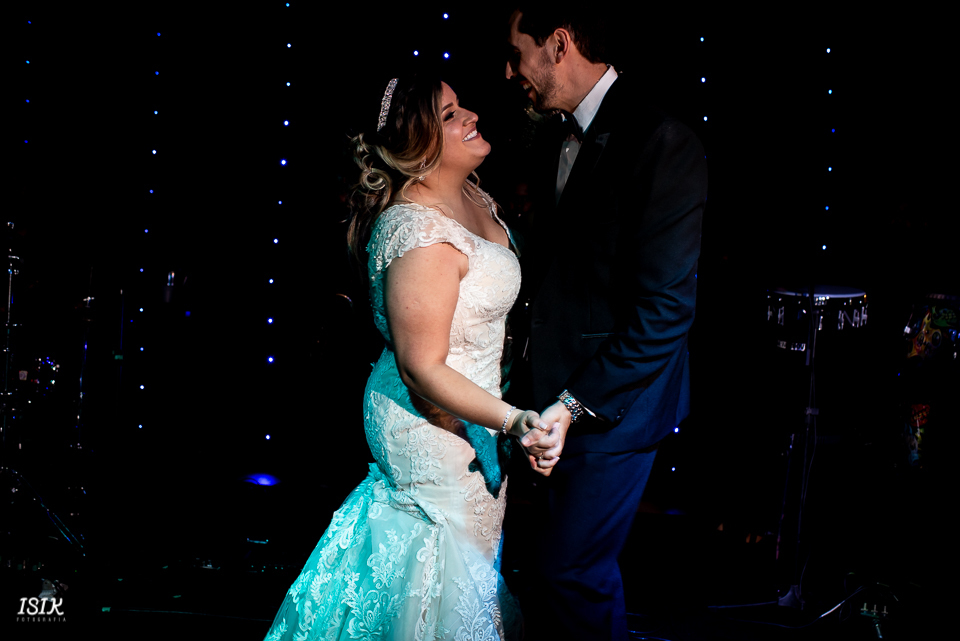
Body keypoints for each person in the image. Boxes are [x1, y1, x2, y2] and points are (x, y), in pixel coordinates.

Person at [262, 75, 561, 641]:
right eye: (449, 115)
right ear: (417, 148)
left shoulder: (471, 192)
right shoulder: (418, 230)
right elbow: (421, 366)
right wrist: (512, 419)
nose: (470, 115)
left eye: (459, 105)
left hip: (475, 422)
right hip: (432, 430)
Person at [503, 6, 708, 641]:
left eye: (518, 53)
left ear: (558, 45)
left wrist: (575, 401)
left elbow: (666, 310)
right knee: (546, 576)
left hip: (614, 404)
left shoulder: (661, 141)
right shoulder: (549, 136)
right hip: (541, 401)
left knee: (572, 574)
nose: (509, 72)